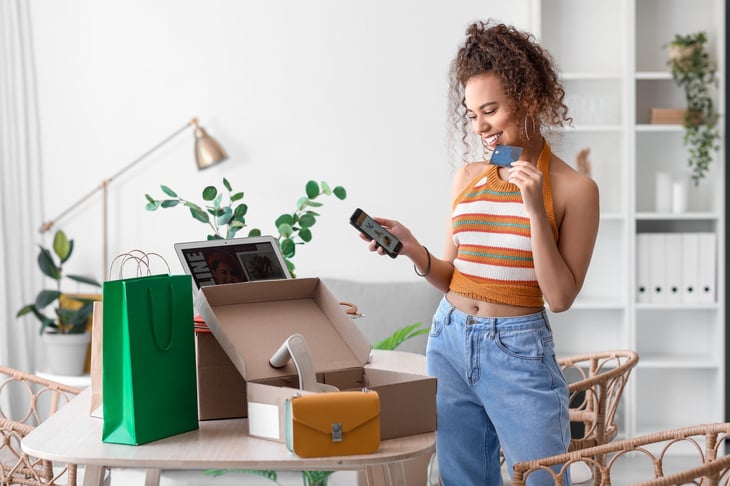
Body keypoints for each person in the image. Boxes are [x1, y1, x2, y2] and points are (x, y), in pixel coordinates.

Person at [359, 20, 599, 485]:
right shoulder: (468, 177)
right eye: (471, 114)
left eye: (490, 109)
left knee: (543, 479)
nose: (481, 126)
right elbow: (453, 275)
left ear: (528, 99)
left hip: (518, 349)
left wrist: (533, 210)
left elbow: (561, 297)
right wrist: (414, 251)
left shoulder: (574, 189)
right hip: (448, 341)